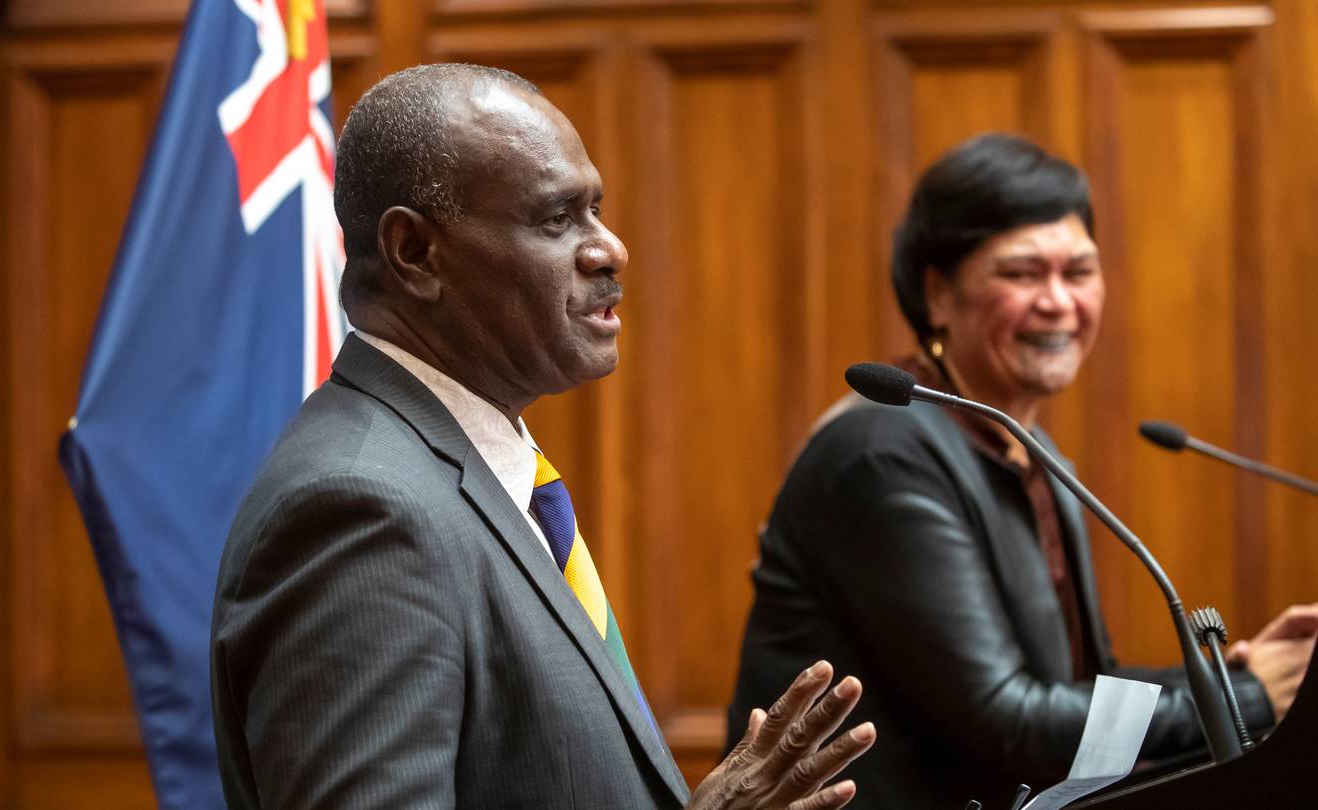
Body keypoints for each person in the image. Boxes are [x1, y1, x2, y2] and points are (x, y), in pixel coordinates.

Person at [210, 63, 876, 809]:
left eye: (596, 209)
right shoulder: (361, 511)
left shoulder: (465, 471)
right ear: (415, 253)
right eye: (557, 220)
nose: (610, 249)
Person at [724, 133, 1318, 810]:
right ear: (939, 294)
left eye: (1080, 271)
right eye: (1024, 273)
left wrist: (1229, 673)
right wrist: (1251, 696)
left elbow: (1086, 688)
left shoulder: (1020, 444)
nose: (1060, 302)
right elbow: (1008, 721)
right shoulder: (882, 453)